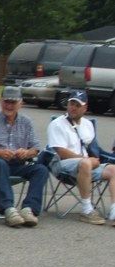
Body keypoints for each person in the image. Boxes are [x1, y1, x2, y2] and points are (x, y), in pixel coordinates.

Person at [0, 86, 49, 227]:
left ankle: (29, 209)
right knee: (0, 164)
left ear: (21, 103)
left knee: (41, 170)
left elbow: (36, 148)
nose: (9, 106)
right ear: (1, 102)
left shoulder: (27, 123)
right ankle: (8, 209)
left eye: (13, 103)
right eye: (6, 102)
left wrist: (27, 153)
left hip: (17, 164)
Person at [47, 90, 115, 225]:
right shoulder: (57, 124)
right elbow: (61, 152)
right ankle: (86, 210)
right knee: (85, 163)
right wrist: (87, 160)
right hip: (62, 165)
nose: (73, 108)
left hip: (86, 165)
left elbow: (95, 150)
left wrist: (94, 160)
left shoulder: (88, 125)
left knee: (113, 169)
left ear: (85, 108)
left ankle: (114, 211)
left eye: (77, 105)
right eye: (71, 104)